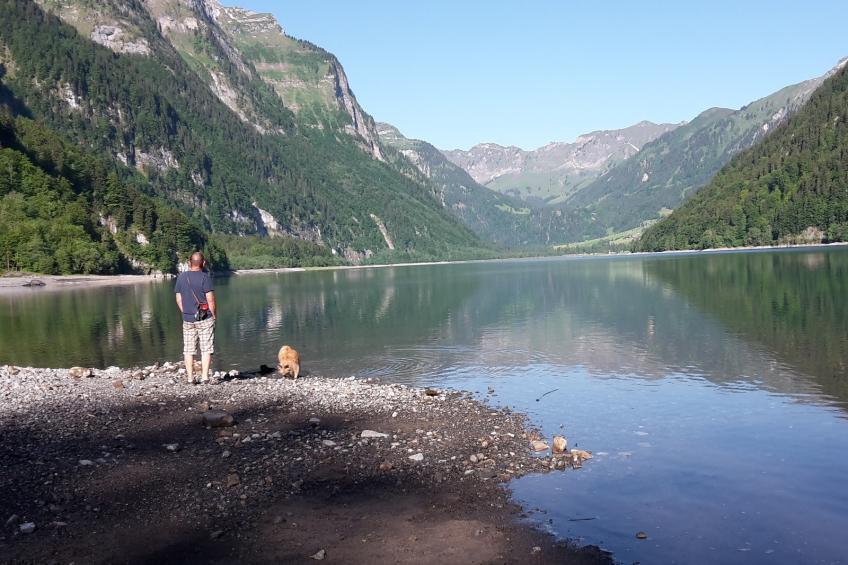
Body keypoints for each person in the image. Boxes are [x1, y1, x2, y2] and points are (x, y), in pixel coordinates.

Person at [174, 252, 217, 384]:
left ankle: (190, 378)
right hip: (205, 318)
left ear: (189, 263)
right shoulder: (205, 277)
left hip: (188, 319)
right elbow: (210, 300)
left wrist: (186, 312)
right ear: (203, 263)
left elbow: (178, 298)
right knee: (206, 348)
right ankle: (204, 377)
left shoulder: (182, 277)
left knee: (188, 350)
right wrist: (214, 314)